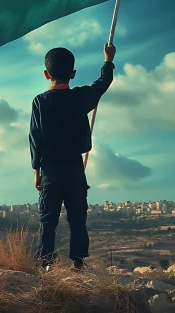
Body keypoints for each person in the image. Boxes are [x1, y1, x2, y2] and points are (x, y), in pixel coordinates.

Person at [29, 41, 116, 271]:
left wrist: (36, 170)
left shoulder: (39, 102)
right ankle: (78, 263)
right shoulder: (81, 97)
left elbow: (35, 138)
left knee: (47, 220)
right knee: (77, 218)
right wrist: (108, 60)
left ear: (46, 74)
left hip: (50, 169)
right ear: (74, 74)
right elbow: (103, 83)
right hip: (75, 167)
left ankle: (45, 264)